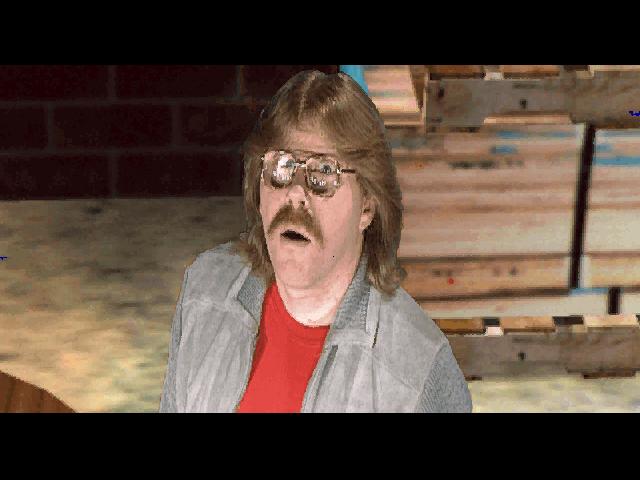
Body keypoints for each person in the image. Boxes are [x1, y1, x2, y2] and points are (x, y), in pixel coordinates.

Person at [159, 70, 472, 413]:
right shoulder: (204, 290)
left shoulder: (420, 371)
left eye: (323, 173)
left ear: (367, 206)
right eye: (281, 166)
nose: (295, 192)